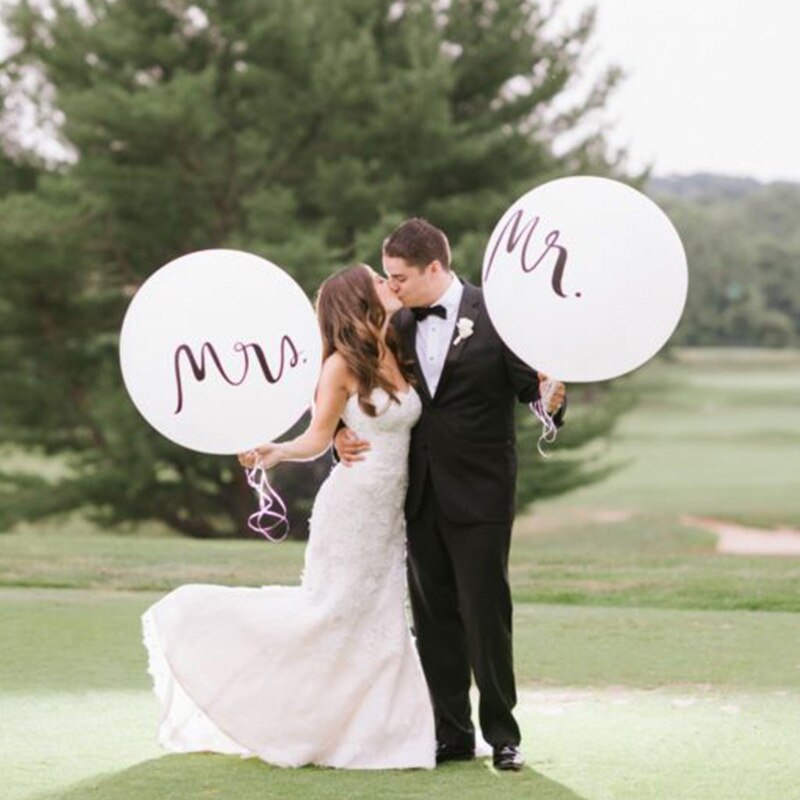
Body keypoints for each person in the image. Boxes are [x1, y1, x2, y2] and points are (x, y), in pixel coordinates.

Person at [141, 264, 436, 770]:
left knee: (379, 617)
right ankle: (205, 630)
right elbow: (318, 435)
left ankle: (384, 728)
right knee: (333, 613)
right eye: (376, 280)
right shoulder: (340, 366)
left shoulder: (397, 345)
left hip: (389, 514)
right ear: (358, 300)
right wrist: (278, 451)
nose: (388, 284)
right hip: (352, 509)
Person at [334, 218, 565, 772]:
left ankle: (503, 735)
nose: (390, 287)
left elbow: (533, 390)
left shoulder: (500, 316)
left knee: (486, 614)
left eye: (399, 277)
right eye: (388, 277)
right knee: (433, 617)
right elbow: (353, 384)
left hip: (482, 493)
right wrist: (339, 435)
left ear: (434, 267)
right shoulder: (395, 323)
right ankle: (451, 734)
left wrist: (553, 401)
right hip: (417, 493)